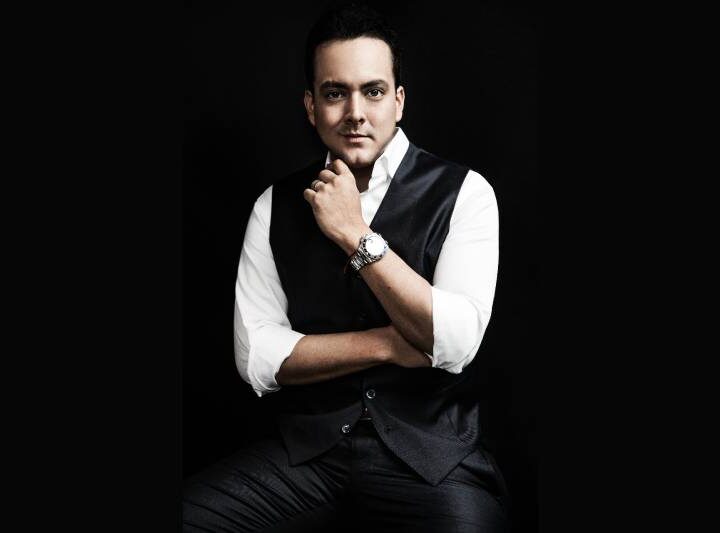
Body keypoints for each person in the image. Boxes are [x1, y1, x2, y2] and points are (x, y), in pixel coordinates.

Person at [183, 2, 508, 531]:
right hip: (307, 457)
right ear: (311, 106)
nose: (355, 112)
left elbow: (453, 342)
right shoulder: (273, 205)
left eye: (373, 91)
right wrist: (388, 344)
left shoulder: (467, 194)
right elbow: (258, 356)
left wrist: (353, 234)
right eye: (336, 93)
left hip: (431, 462)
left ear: (398, 101)